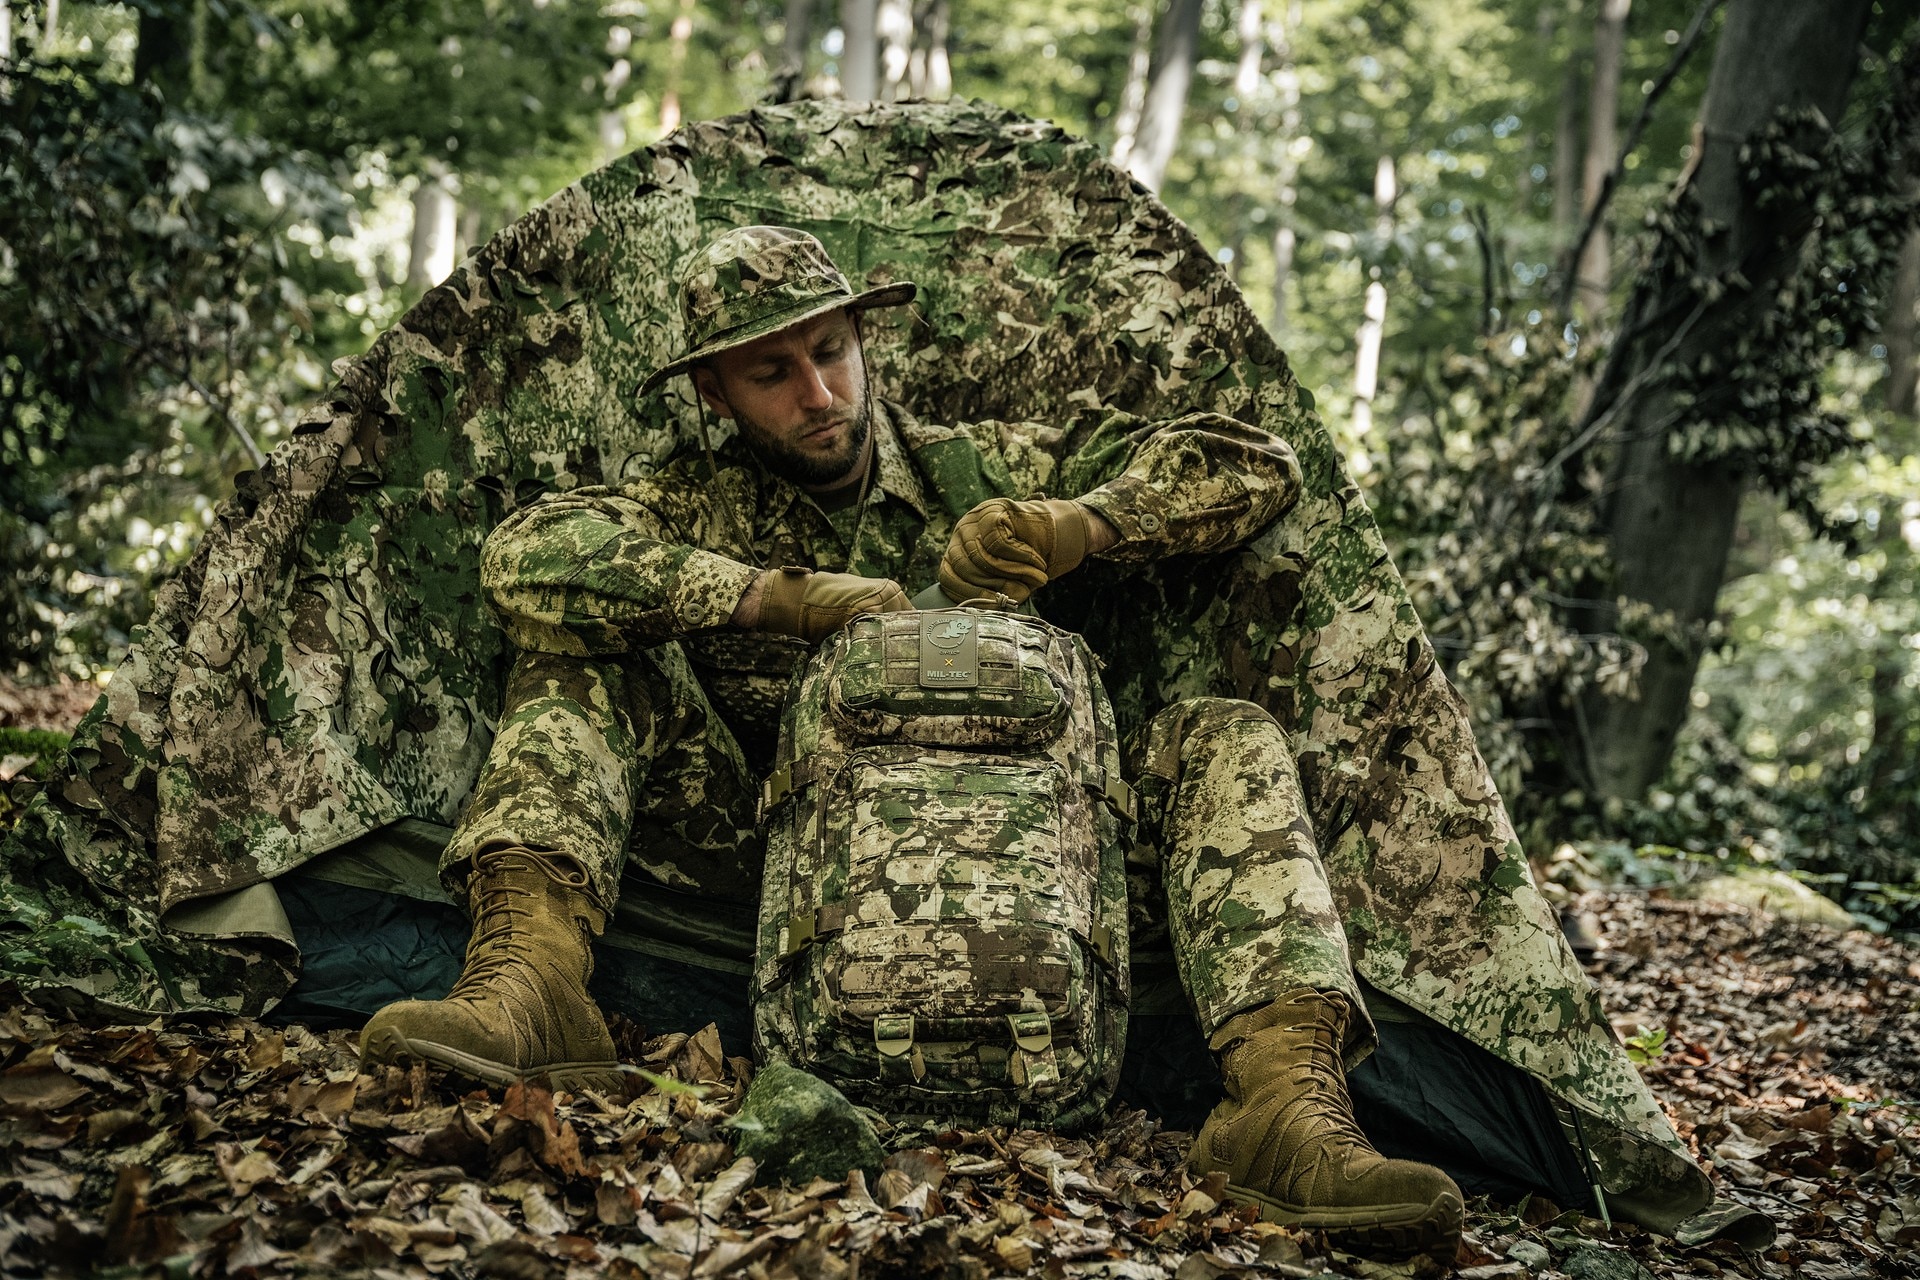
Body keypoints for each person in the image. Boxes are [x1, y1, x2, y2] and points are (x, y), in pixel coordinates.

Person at [358, 225, 1467, 1255]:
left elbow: (1255, 459)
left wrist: (1079, 525)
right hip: (777, 866)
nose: (819, 392)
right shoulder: (693, 501)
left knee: (1224, 734)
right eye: (770, 373)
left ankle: (1280, 1102)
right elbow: (524, 560)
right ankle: (534, 982)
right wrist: (764, 597)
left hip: (1051, 873)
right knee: (578, 649)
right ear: (713, 391)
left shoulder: (984, 468)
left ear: (863, 339)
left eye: (832, 351)